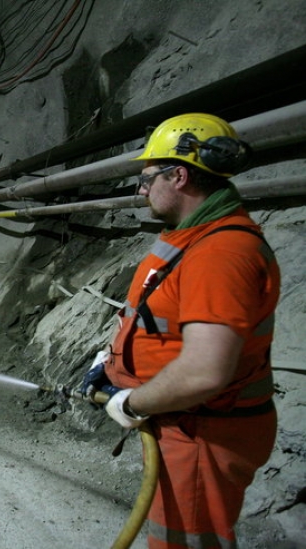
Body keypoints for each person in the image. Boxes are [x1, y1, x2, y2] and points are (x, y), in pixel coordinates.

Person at [80, 113, 280, 549]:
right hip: (184, 424)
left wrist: (132, 403)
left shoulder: (220, 253)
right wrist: (110, 363)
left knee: (183, 543)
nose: (141, 189)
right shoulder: (190, 238)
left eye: (147, 178)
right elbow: (151, 318)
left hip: (203, 433)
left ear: (179, 176)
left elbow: (203, 373)